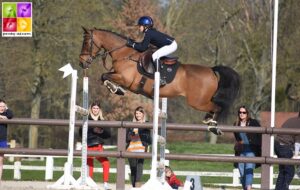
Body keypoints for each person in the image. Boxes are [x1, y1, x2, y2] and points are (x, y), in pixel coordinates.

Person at [126, 16, 178, 85]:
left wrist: (132, 44)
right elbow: (143, 45)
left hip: (171, 45)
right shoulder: (149, 32)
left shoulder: (148, 33)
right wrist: (134, 43)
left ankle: (160, 78)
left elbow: (142, 48)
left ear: (145, 26)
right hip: (170, 44)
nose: (139, 27)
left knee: (154, 56)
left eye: (140, 26)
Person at [79, 100, 111, 190]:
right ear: (91, 109)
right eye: (94, 108)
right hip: (88, 145)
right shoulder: (86, 119)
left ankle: (105, 183)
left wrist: (101, 132)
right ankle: (90, 183)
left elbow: (108, 135)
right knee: (90, 165)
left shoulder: (102, 120)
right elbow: (81, 133)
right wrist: (92, 130)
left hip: (98, 146)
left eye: (97, 108)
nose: (95, 110)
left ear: (99, 109)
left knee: (106, 163)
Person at [233, 105, 261, 190]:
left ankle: (248, 188)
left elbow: (260, 135)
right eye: (240, 112)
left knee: (249, 168)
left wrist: (259, 147)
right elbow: (237, 138)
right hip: (241, 150)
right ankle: (245, 188)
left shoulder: (253, 122)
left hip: (251, 149)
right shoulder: (236, 124)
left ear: (247, 113)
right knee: (241, 170)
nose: (241, 114)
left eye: (244, 112)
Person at [126, 106, 151, 187]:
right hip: (131, 148)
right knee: (133, 168)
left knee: (139, 167)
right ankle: (134, 186)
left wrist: (146, 146)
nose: (138, 115)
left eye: (140, 113)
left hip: (141, 148)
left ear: (143, 114)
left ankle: (137, 185)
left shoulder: (147, 124)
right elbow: (128, 137)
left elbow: (148, 138)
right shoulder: (131, 124)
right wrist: (132, 135)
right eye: (136, 113)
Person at [274, 111, 300, 190]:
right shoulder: (299, 123)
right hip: (284, 146)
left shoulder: (294, 120)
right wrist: (296, 155)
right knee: (289, 172)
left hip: (277, 144)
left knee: (283, 171)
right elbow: (298, 142)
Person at [0, 99, 13, 181]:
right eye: (0, 106)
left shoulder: (6, 114)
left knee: (0, 161)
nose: (1, 108)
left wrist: (7, 109)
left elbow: (11, 115)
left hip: (2, 140)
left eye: (3, 106)